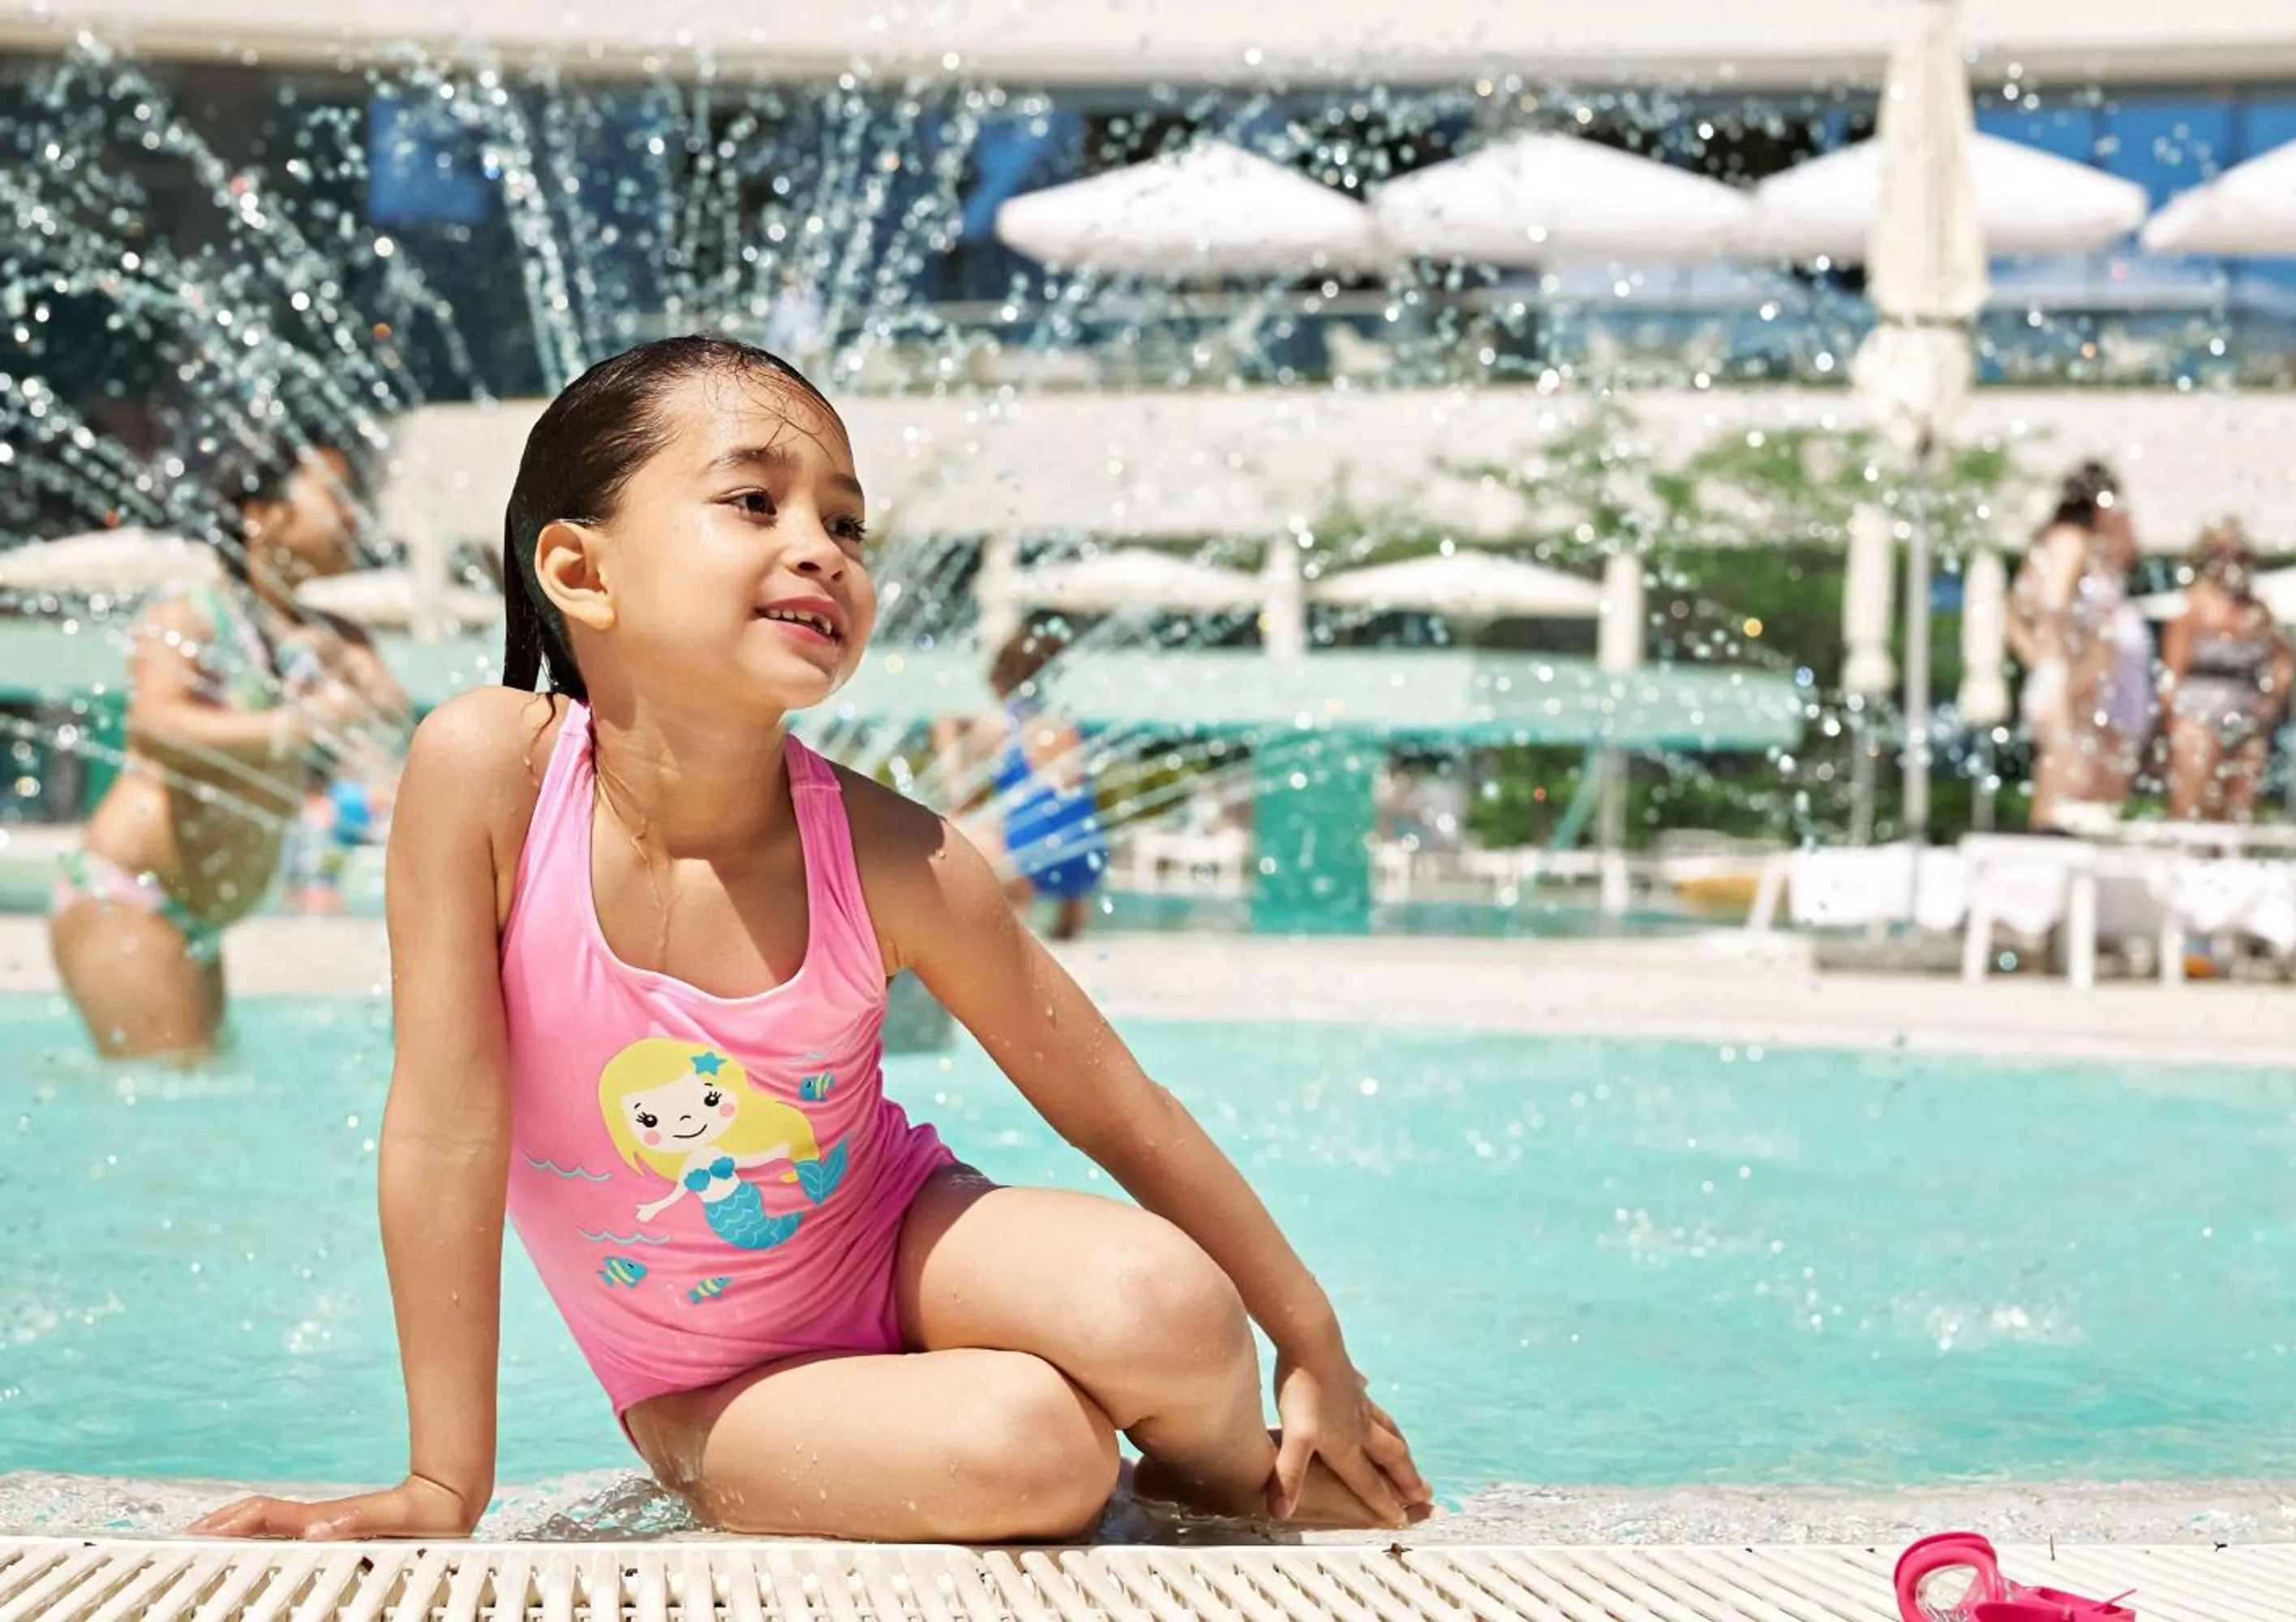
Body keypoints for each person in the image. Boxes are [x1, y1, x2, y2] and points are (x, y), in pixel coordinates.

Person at [190, 337, 1427, 1545]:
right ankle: (905, 1453)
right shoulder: (487, 777)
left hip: (895, 1244)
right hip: (706, 1386)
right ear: (580, 571)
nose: (819, 551)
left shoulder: (898, 859)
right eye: (752, 500)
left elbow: (1120, 1110)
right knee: (1033, 1449)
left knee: (1175, 1312)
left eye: (845, 525)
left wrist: (1310, 1342)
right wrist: (438, 1482)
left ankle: (1223, 1492)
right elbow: (446, 1124)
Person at [49, 442, 410, 1058]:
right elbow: (153, 727)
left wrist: (357, 678)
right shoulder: (195, 614)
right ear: (261, 516)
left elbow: (394, 726)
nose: (354, 517)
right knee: (169, 1089)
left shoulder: (330, 631)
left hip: (195, 916)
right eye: (334, 496)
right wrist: (296, 725)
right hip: (130, 894)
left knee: (196, 1087)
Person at [932, 620, 1109, 942]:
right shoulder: (1065, 726)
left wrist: (946, 742)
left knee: (948, 825)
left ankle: (1008, 928)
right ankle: (1070, 924)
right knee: (1062, 817)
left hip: (1028, 861)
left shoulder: (999, 726)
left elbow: (962, 798)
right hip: (1086, 858)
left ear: (998, 681)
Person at [2006, 461, 2153, 831]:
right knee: (2067, 791)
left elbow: (2016, 610)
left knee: (2080, 791)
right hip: (2075, 680)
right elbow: (2056, 606)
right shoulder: (2072, 541)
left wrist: (2042, 659)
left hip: (2070, 675)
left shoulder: (2061, 541)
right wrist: (2076, 665)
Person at [2157, 521, 2295, 823]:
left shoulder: (2258, 610)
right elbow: (2172, 673)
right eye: (2220, 553)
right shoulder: (2193, 606)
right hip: (2197, 715)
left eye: (2238, 554)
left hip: (2248, 716)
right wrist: (2169, 723)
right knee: (2192, 803)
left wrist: (2273, 697)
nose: (2230, 561)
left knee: (2238, 811)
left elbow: (2284, 658)